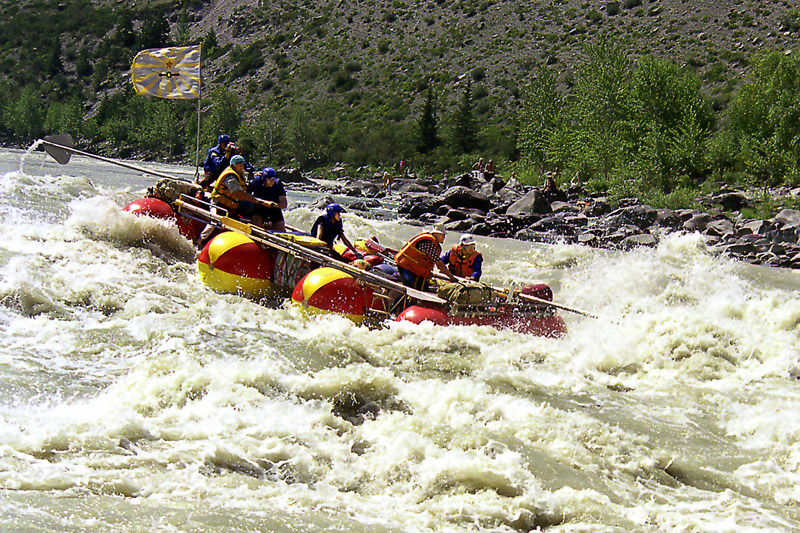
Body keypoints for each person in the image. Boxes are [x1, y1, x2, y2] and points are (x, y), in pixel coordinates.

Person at [394, 225, 457, 291]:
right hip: (405, 266)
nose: (444, 237)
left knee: (419, 285)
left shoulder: (431, 242)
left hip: (411, 266)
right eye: (442, 235)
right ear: (435, 233)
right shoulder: (429, 243)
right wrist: (451, 277)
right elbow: (439, 264)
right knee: (411, 288)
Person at [249, 167, 287, 232]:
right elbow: (247, 194)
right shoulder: (257, 182)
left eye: (273, 179)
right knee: (256, 225)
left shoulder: (278, 185)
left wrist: (275, 205)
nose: (272, 181)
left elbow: (284, 203)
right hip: (260, 207)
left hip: (274, 209)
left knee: (281, 229)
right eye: (270, 179)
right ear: (264, 179)